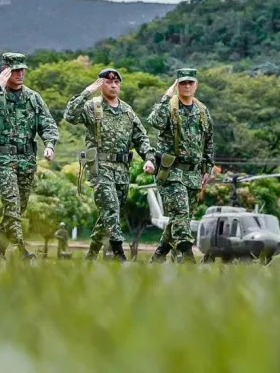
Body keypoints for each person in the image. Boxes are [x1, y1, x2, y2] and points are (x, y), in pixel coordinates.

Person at [0, 52, 60, 260]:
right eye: (15, 70)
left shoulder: (33, 97)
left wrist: (49, 145)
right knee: (11, 204)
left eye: (22, 70)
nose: (20, 74)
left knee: (18, 208)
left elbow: (48, 124)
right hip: (4, 159)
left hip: (27, 160)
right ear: (5, 71)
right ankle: (22, 250)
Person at [63, 68, 156, 262]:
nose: (113, 85)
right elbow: (70, 116)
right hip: (100, 167)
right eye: (108, 82)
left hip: (122, 170)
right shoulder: (92, 107)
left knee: (110, 213)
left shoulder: (127, 111)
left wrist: (148, 158)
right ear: (100, 84)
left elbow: (141, 138)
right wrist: (87, 91)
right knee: (111, 207)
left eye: (116, 82)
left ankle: (91, 255)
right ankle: (119, 254)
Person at [147, 68, 214, 263]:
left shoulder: (202, 110)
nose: (186, 86)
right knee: (181, 213)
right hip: (172, 172)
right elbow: (153, 121)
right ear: (176, 85)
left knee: (181, 218)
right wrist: (166, 95)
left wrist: (207, 168)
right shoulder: (169, 107)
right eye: (182, 83)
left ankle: (159, 256)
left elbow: (208, 140)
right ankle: (188, 257)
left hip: (193, 174)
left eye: (190, 83)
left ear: (196, 85)